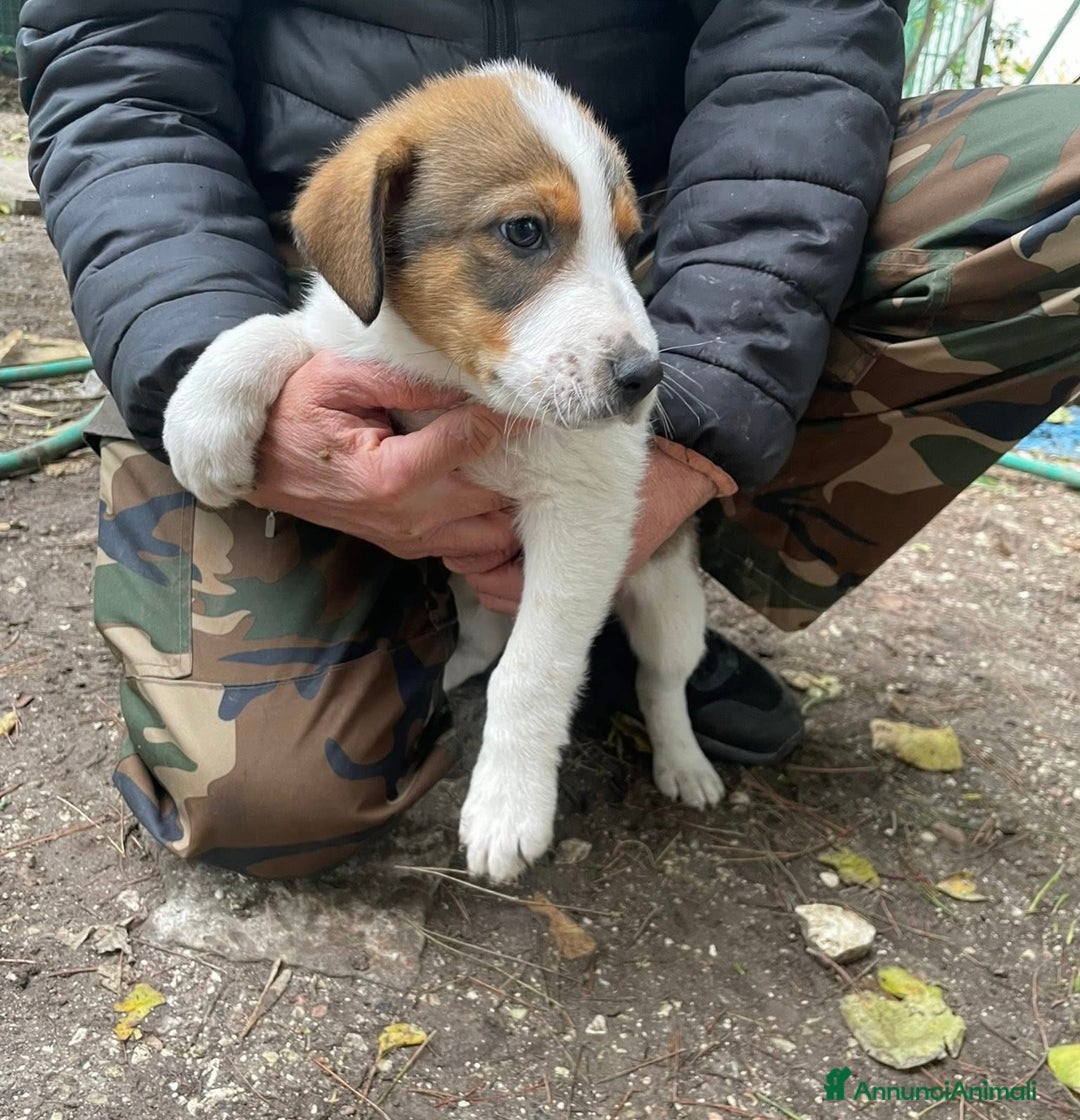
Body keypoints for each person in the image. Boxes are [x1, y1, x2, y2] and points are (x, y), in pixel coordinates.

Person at [18, 2, 1079, 878]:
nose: (631, 348)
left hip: (696, 214)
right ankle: (412, 616)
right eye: (526, 235)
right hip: (260, 226)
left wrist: (693, 434)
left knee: (623, 546)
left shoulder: (599, 270)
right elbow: (119, 70)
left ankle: (639, 659)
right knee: (264, 802)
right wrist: (194, 349)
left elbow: (804, 55)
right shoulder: (363, 236)